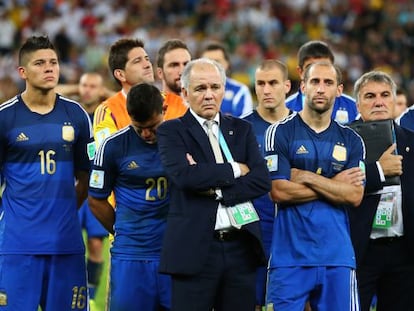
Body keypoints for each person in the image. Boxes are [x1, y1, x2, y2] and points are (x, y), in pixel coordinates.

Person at [156, 58, 270, 311]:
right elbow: (185, 177)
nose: (209, 95)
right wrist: (235, 169)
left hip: (240, 246)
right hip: (194, 249)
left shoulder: (241, 129)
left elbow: (261, 180)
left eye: (215, 87)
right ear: (185, 93)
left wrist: (213, 186)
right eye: (200, 88)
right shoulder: (171, 131)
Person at [263, 61, 365, 311]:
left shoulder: (352, 139)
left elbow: (354, 195)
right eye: (315, 82)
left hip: (337, 257)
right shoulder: (279, 133)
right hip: (289, 259)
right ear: (303, 87)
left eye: (328, 83)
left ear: (339, 90)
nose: (321, 88)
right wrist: (333, 185)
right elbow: (278, 191)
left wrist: (306, 177)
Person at [0, 35, 92, 310]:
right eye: (39, 63)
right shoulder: (5, 118)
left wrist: (63, 212)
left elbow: (86, 177)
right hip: (17, 245)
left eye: (53, 62)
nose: (49, 68)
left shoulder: (77, 115)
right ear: (23, 72)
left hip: (65, 243)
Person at [88, 83, 171, 310]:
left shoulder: (180, 141)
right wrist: (120, 230)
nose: (146, 134)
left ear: (164, 109)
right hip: (131, 253)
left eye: (152, 127)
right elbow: (96, 199)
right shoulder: (113, 146)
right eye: (138, 127)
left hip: (174, 251)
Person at [348, 71, 414, 311]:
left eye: (385, 95)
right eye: (370, 96)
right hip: (360, 250)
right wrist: (378, 171)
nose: (378, 102)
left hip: (404, 252)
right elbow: (342, 187)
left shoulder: (412, 141)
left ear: (395, 101)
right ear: (358, 104)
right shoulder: (343, 141)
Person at [243, 59, 292, 310]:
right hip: (253, 231)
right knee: (252, 301)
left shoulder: (302, 127)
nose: (266, 89)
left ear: (287, 86)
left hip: (295, 230)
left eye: (273, 83)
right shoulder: (240, 129)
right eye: (260, 84)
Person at [75, 72, 109, 304]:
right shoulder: (72, 113)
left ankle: (92, 296)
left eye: (93, 86)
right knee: (69, 241)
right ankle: (73, 291)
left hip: (98, 186)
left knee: (96, 244)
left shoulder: (107, 114)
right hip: (75, 186)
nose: (87, 90)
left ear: (101, 90)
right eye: (83, 85)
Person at [93, 38, 155, 147]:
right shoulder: (107, 111)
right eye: (137, 61)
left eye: (147, 59)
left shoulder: (172, 101)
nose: (147, 65)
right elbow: (107, 155)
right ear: (120, 75)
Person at [285, 40, 358, 124]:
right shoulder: (286, 109)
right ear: (300, 72)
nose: (318, 71)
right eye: (310, 67)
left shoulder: (354, 108)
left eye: (324, 66)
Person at [200, 41, 254, 117]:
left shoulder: (240, 91)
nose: (212, 66)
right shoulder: (191, 92)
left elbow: (244, 124)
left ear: (227, 63)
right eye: (207, 62)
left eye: (217, 62)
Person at [156, 38, 190, 120]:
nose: (182, 71)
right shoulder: (153, 108)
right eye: (174, 65)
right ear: (160, 73)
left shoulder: (204, 105)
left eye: (186, 64)